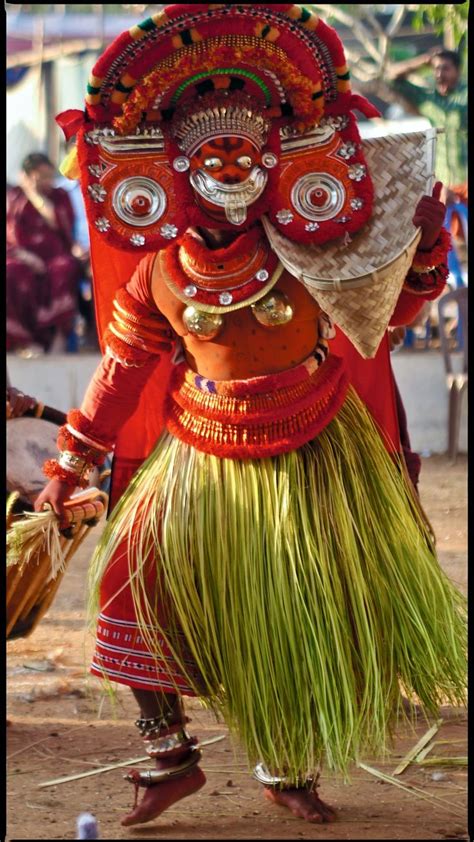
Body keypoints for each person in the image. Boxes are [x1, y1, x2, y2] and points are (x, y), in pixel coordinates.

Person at [35, 5, 465, 829]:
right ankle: (168, 754)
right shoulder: (160, 270)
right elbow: (122, 372)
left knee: (303, 599)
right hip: (202, 448)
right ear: (178, 170)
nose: (229, 168)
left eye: (244, 151)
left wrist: (427, 250)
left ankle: (287, 763)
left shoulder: (307, 243)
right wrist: (70, 464)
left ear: (273, 159)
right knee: (128, 570)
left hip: (315, 449)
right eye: (210, 155)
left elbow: (390, 316)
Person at [6, 152, 84, 354]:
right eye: (43, 177)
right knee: (11, 273)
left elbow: (59, 223)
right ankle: (22, 343)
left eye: (50, 176)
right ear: (29, 175)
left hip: (54, 255)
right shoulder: (12, 197)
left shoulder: (59, 196)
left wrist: (34, 194)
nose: (48, 181)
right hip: (21, 256)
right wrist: (25, 256)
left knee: (64, 268)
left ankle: (58, 339)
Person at [388, 48, 467, 240]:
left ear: (457, 71)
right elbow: (392, 77)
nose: (439, 74)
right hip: (444, 184)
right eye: (436, 68)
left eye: (446, 68)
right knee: (450, 242)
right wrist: (423, 60)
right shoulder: (428, 100)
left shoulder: (465, 96)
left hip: (466, 179)